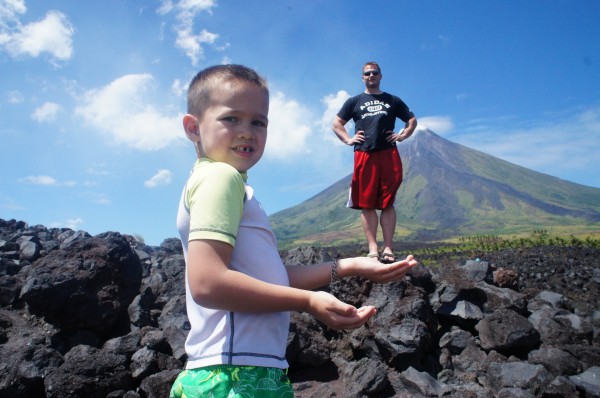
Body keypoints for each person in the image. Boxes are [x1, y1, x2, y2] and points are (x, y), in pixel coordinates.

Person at [170, 64, 418, 398]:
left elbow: (266, 277)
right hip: (232, 376)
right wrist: (310, 302)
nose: (247, 131)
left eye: (258, 122)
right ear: (193, 127)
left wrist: (351, 266)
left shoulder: (223, 183)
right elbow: (208, 283)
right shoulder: (220, 178)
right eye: (231, 118)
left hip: (237, 370)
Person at [332, 61, 417, 264]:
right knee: (367, 202)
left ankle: (388, 247)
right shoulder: (354, 101)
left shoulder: (392, 100)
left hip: (388, 153)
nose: (371, 76)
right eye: (367, 73)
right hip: (364, 153)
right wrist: (347, 139)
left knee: (387, 202)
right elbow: (336, 123)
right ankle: (372, 247)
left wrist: (404, 135)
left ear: (380, 76)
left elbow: (411, 120)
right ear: (363, 77)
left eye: (374, 73)